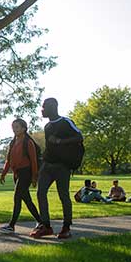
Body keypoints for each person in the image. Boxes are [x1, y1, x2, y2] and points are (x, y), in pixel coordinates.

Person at [34, 98, 84, 239]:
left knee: (63, 196)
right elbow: (50, 147)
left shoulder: (65, 122)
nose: (42, 110)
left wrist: (61, 141)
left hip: (62, 166)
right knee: (40, 192)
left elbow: (80, 136)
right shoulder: (47, 126)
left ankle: (66, 227)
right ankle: (46, 226)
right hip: (47, 165)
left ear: (52, 107)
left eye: (44, 107)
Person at [0, 119, 41, 235]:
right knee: (26, 199)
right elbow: (8, 160)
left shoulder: (28, 142)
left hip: (26, 173)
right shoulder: (12, 142)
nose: (14, 129)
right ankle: (40, 221)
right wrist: (3, 173)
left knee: (17, 197)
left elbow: (33, 161)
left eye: (17, 127)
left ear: (23, 129)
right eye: (13, 127)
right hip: (17, 174)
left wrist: (34, 177)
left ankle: (11, 225)